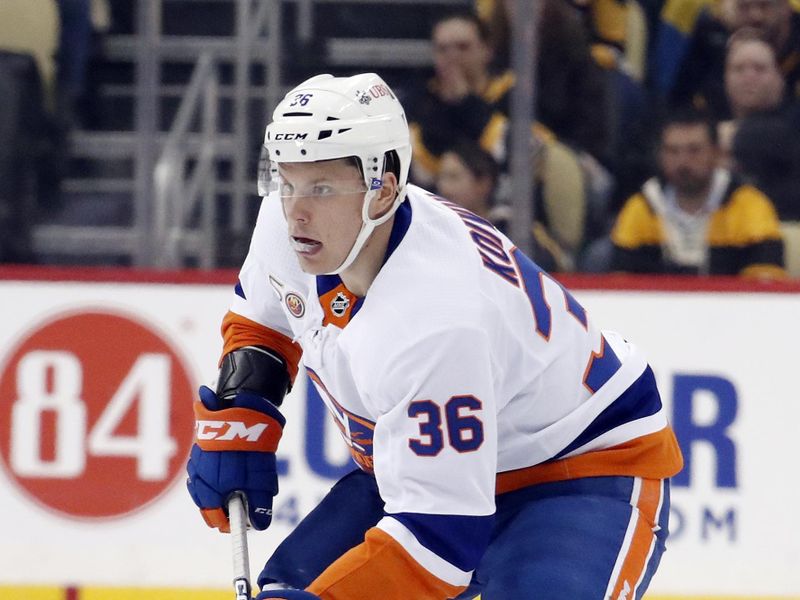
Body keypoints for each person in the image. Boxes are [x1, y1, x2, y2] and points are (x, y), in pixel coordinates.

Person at [186, 72, 683, 599]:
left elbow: (440, 544)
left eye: (322, 186)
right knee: (291, 585)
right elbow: (264, 321)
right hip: (446, 465)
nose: (295, 211)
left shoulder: (436, 319)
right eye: (286, 182)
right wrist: (244, 405)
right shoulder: (292, 224)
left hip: (579, 471)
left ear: (383, 189)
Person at [610, 109, 785, 276]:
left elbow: (765, 284)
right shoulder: (642, 207)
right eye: (673, 151)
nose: (683, 162)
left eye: (694, 150)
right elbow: (621, 285)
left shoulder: (749, 205)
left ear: (716, 153)